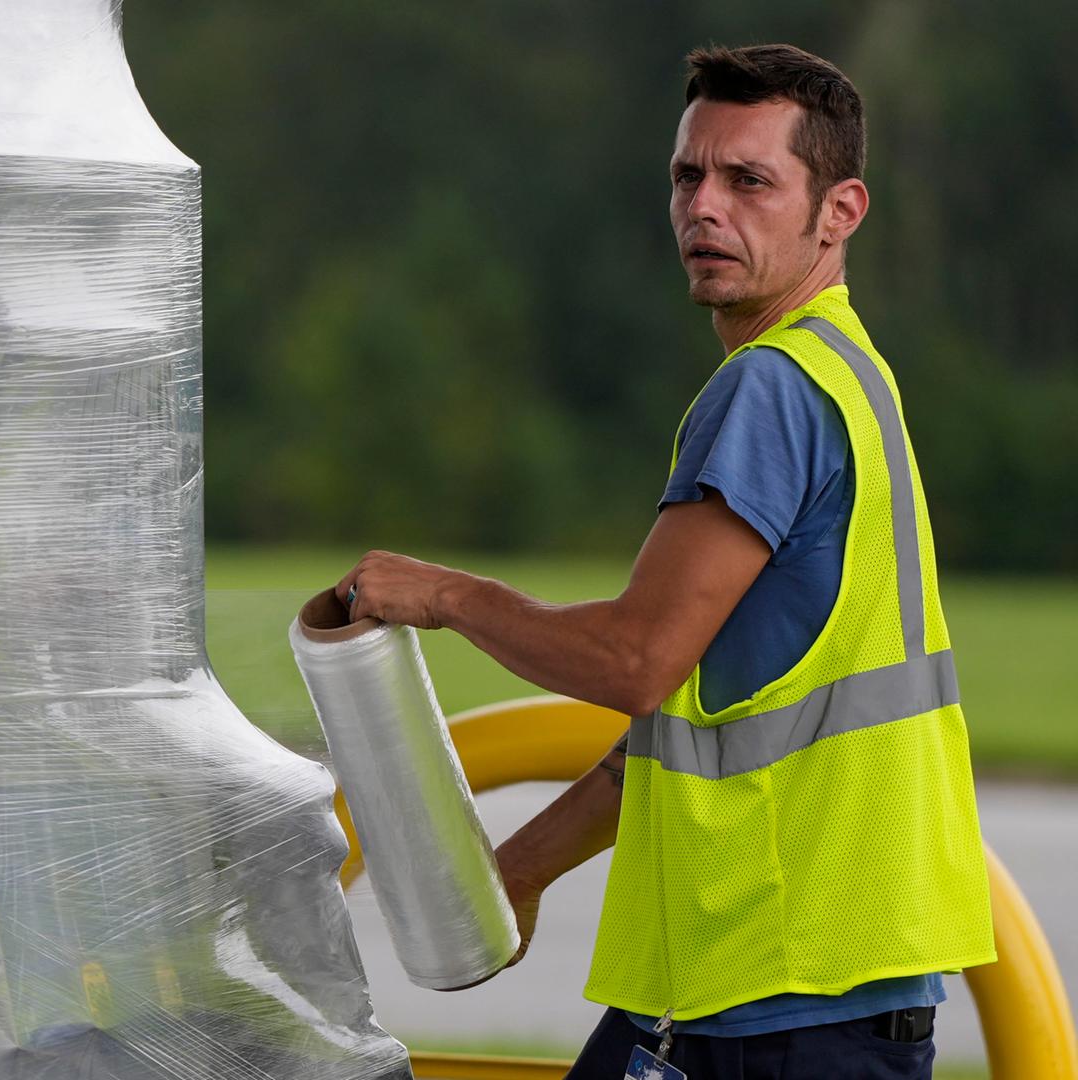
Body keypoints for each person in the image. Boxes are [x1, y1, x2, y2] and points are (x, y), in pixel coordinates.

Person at [335, 44, 993, 1079]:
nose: (705, 208)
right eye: (689, 175)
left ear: (841, 210)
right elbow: (692, 717)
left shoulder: (770, 391)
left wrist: (447, 595)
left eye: (750, 180)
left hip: (775, 1001)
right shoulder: (850, 373)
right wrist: (523, 869)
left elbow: (633, 661)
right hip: (800, 992)